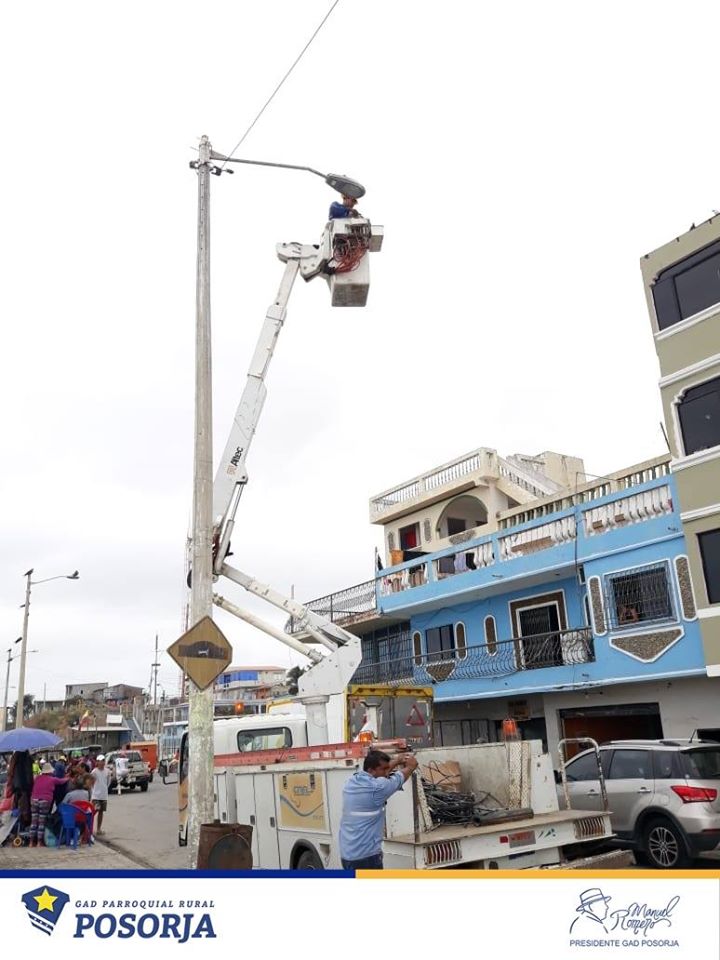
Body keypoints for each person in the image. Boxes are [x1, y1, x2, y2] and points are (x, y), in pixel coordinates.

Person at [339, 749, 418, 870]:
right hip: (366, 857)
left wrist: (397, 761)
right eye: (383, 769)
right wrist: (411, 766)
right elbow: (400, 776)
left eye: (387, 768)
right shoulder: (378, 788)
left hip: (347, 855)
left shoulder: (352, 781)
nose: (387, 772)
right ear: (371, 770)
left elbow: (381, 775)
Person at [29, 762, 69, 847]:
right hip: (45, 801)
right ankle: (39, 842)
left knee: (34, 821)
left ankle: (31, 842)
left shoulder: (37, 778)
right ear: (50, 772)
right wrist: (68, 777)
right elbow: (62, 781)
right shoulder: (52, 779)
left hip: (34, 800)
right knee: (42, 821)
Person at [90, 755, 111, 834]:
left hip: (104, 796)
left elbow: (108, 782)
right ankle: (90, 829)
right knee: (93, 812)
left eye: (103, 761)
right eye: (99, 761)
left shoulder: (107, 771)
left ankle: (98, 829)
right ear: (97, 762)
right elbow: (91, 783)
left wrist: (104, 789)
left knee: (101, 812)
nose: (101, 763)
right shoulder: (94, 772)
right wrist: (94, 791)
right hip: (96, 796)